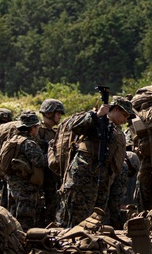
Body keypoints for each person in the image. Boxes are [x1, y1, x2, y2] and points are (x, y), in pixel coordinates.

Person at [56, 96, 131, 228]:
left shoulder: (115, 131)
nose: (125, 120)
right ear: (116, 109)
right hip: (83, 177)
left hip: (102, 181)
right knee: (75, 218)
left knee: (95, 222)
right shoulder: (95, 120)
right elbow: (74, 126)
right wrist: (96, 115)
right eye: (124, 115)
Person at [3, 111, 48, 230]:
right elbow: (40, 161)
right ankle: (23, 246)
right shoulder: (28, 143)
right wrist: (52, 152)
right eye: (37, 127)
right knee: (25, 222)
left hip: (13, 187)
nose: (38, 129)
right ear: (32, 128)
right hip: (26, 189)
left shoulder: (12, 140)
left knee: (13, 219)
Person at [37, 99, 66, 223]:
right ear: (49, 113)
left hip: (52, 175)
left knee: (52, 205)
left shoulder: (55, 132)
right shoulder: (38, 130)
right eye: (57, 113)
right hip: (41, 174)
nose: (59, 117)